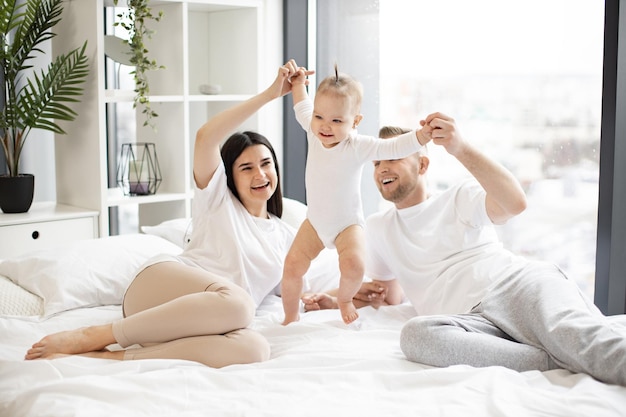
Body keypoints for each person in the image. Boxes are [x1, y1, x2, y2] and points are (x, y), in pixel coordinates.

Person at [24, 61, 311, 367]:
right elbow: (205, 137)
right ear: (229, 175)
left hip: (196, 322)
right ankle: (97, 334)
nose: (260, 174)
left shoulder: (286, 236)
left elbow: (300, 290)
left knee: (254, 348)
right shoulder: (218, 201)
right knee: (241, 304)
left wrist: (349, 294)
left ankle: (115, 355)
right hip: (156, 292)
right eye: (247, 167)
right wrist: (270, 94)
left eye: (266, 164)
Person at [307, 116, 626, 386]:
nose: (381, 169)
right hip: (472, 323)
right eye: (376, 162)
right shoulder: (378, 227)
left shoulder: (457, 197)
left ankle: (564, 351)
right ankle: (551, 357)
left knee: (587, 345)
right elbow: (387, 295)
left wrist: (459, 148)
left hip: (514, 287)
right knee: (417, 336)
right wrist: (336, 300)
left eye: (393, 158)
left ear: (423, 164)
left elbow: (515, 203)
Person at [281, 62, 428, 325]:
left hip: (347, 225)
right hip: (314, 222)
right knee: (292, 267)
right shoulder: (314, 131)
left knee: (354, 266)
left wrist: (422, 136)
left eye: (337, 120)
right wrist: (297, 84)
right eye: (320, 117)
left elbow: (392, 147)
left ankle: (346, 299)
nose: (325, 126)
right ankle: (290, 317)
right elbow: (301, 105)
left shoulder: (358, 146)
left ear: (355, 122)